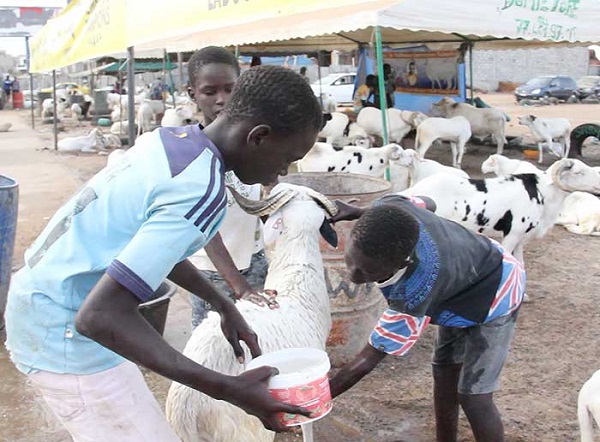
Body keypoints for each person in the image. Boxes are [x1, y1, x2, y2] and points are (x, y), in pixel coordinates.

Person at [4, 65, 324, 441]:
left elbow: (153, 247)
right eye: (287, 158)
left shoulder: (171, 140)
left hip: (45, 304)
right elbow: (99, 316)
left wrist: (222, 303)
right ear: (259, 137)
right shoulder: (200, 192)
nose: (280, 173)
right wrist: (228, 388)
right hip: (64, 334)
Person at [328, 194, 526, 442]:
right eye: (351, 261)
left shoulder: (416, 289)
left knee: (474, 396)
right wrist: (361, 211)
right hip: (462, 276)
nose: (354, 276)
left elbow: (368, 359)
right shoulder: (390, 207)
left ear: (403, 262)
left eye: (368, 271)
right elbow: (428, 202)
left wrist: (320, 397)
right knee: (444, 373)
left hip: (498, 289)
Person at [186, 46, 272, 328]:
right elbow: (205, 231)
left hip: (255, 259)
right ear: (193, 94)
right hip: (211, 272)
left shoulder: (256, 142)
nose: (222, 100)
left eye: (230, 89)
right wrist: (240, 287)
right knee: (214, 344)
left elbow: (269, 195)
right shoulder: (190, 154)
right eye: (210, 92)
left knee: (259, 336)